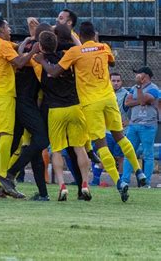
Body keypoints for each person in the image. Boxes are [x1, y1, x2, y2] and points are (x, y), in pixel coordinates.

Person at [34, 21, 146, 202]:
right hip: (107, 98)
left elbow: (54, 72)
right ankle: (138, 172)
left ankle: (118, 182)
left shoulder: (73, 53)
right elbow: (112, 61)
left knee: (99, 145)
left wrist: (41, 60)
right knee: (119, 137)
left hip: (86, 104)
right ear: (94, 34)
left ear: (79, 34)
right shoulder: (104, 47)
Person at [0, 21, 52, 200]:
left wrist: (29, 38)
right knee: (39, 140)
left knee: (13, 144)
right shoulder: (37, 52)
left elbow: (20, 53)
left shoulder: (20, 45)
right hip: (24, 102)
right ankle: (8, 175)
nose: (10, 30)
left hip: (16, 99)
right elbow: (23, 63)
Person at [37, 31, 92, 201]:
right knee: (79, 147)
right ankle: (85, 184)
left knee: (58, 150)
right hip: (74, 106)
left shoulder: (38, 62)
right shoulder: (68, 56)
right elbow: (79, 48)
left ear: (40, 46)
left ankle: (62, 185)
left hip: (55, 110)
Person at [122, 67, 159, 187]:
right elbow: (127, 103)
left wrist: (138, 93)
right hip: (133, 125)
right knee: (129, 152)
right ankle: (125, 181)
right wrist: (140, 98)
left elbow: (143, 101)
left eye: (139, 73)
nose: (136, 75)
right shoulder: (134, 88)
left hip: (148, 126)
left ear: (146, 75)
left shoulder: (153, 88)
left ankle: (145, 183)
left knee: (148, 154)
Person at [91, 72, 130, 185]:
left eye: (118, 81)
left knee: (120, 157)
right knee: (102, 155)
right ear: (109, 81)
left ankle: (121, 181)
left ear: (121, 82)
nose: (116, 83)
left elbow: (136, 107)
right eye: (113, 81)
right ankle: (95, 180)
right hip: (105, 132)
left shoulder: (127, 95)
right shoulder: (102, 93)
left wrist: (130, 121)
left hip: (121, 132)